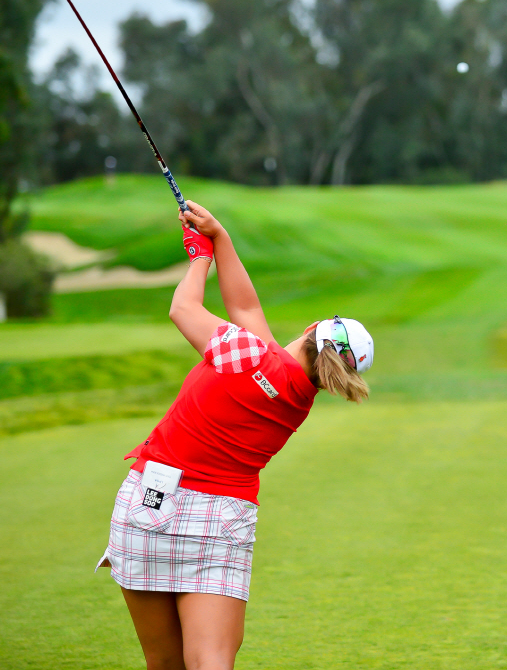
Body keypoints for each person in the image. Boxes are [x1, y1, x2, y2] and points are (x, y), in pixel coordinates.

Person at [96, 200, 374, 670]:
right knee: (211, 662)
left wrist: (200, 256)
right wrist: (219, 235)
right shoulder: (294, 396)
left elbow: (183, 307)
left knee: (164, 664)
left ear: (311, 329)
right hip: (223, 521)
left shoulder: (248, 353)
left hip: (150, 505)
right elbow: (245, 307)